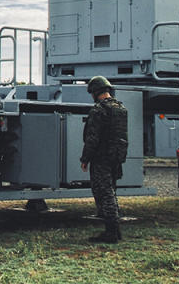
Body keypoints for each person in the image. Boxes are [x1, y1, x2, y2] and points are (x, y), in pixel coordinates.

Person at [80, 75, 128, 244]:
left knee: (103, 191)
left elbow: (92, 138)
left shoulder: (99, 110)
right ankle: (116, 230)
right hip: (116, 156)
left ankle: (111, 232)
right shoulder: (120, 108)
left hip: (102, 157)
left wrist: (85, 158)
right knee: (112, 190)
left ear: (95, 92)